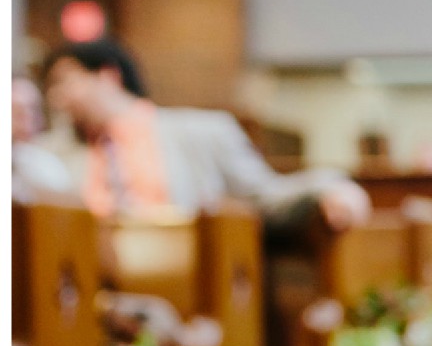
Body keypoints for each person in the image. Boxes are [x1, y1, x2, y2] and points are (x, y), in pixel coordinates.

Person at [37, 37, 370, 230]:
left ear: (108, 76)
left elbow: (266, 195)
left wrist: (334, 188)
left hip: (188, 273)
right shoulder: (49, 155)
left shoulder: (203, 132)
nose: (56, 97)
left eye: (65, 81)